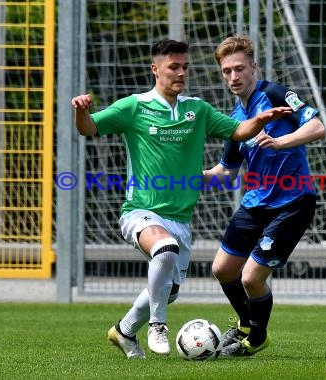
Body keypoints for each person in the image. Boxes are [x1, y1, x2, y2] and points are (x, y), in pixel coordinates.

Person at [71, 39, 292, 359]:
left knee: (169, 289)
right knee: (164, 248)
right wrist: (81, 111)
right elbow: (89, 128)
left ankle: (124, 330)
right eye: (174, 67)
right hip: (140, 211)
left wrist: (261, 120)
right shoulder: (133, 106)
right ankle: (158, 325)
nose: (181, 73)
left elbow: (239, 131)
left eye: (185, 67)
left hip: (181, 220)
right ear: (155, 69)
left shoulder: (197, 110)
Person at [203, 35, 326, 357]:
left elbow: (317, 128)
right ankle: (245, 324)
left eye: (240, 68)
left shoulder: (274, 94)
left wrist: (281, 142)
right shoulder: (235, 120)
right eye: (227, 71)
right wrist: (186, 175)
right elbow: (225, 173)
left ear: (253, 67)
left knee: (251, 278)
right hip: (256, 202)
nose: (234, 77)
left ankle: (256, 338)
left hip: (293, 201)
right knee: (222, 269)